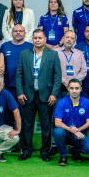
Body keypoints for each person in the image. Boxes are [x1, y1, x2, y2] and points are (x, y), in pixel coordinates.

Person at [15, 29, 61, 161]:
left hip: (46, 96)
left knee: (46, 125)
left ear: (45, 39)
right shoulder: (24, 54)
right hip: (27, 95)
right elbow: (19, 75)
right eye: (35, 38)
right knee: (27, 124)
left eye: (40, 38)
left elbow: (58, 77)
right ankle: (26, 150)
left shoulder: (53, 55)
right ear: (32, 39)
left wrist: (54, 94)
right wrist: (20, 92)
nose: (37, 40)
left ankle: (45, 152)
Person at [53, 79, 89, 166]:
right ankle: (63, 155)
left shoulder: (87, 102)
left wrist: (77, 130)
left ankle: (75, 150)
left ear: (81, 89)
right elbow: (57, 122)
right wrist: (71, 129)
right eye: (72, 88)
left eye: (76, 88)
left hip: (79, 134)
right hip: (65, 134)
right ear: (68, 89)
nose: (74, 90)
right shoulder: (61, 102)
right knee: (58, 131)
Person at [1, 24, 32, 99]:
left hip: (25, 86)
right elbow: (0, 65)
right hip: (8, 85)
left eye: (21, 31)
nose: (18, 32)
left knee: (23, 109)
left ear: (25, 33)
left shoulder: (31, 46)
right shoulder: (4, 46)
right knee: (9, 109)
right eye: (15, 31)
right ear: (12, 33)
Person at [56, 30, 87, 96]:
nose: (69, 40)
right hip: (58, 87)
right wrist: (63, 81)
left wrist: (73, 82)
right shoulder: (55, 52)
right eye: (67, 37)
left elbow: (84, 71)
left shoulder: (80, 53)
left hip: (75, 88)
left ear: (75, 41)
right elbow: (51, 70)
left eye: (72, 38)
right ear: (63, 39)